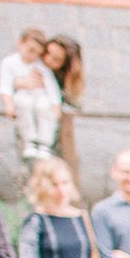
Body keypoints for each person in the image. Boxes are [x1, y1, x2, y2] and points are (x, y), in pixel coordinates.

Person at [0, 27, 62, 165]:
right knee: (23, 104)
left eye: (37, 53)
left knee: (44, 108)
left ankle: (45, 145)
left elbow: (51, 86)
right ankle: (29, 142)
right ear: (20, 43)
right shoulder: (9, 63)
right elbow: (5, 86)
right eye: (30, 50)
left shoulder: (40, 65)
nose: (32, 56)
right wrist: (8, 104)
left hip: (40, 96)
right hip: (23, 96)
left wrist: (55, 105)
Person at [43, 35, 85, 176]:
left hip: (57, 133)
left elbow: (75, 104)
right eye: (47, 53)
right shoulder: (32, 66)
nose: (48, 60)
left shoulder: (67, 82)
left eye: (56, 59)